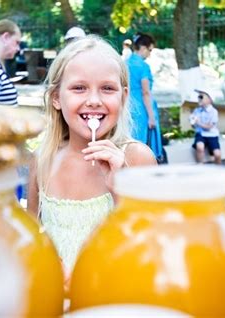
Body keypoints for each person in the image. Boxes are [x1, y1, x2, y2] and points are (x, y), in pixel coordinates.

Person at [28, 35, 156, 273]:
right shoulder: (43, 159)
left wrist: (122, 189)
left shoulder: (137, 158)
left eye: (107, 89)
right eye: (79, 88)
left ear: (124, 96)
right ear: (56, 97)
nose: (94, 100)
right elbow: (30, 241)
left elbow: (151, 250)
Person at [125, 32, 164, 160]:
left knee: (128, 142)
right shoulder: (143, 66)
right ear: (143, 48)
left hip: (127, 106)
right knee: (142, 145)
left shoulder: (124, 63)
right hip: (142, 108)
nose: (150, 54)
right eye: (150, 50)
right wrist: (152, 116)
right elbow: (146, 92)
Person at [190, 89, 221, 164]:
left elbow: (209, 127)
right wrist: (193, 123)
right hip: (201, 134)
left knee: (217, 154)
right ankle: (201, 166)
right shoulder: (197, 110)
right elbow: (193, 124)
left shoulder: (214, 112)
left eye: (201, 97)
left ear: (209, 100)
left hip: (212, 135)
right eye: (198, 97)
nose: (199, 99)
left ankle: (218, 169)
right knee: (199, 147)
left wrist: (198, 122)